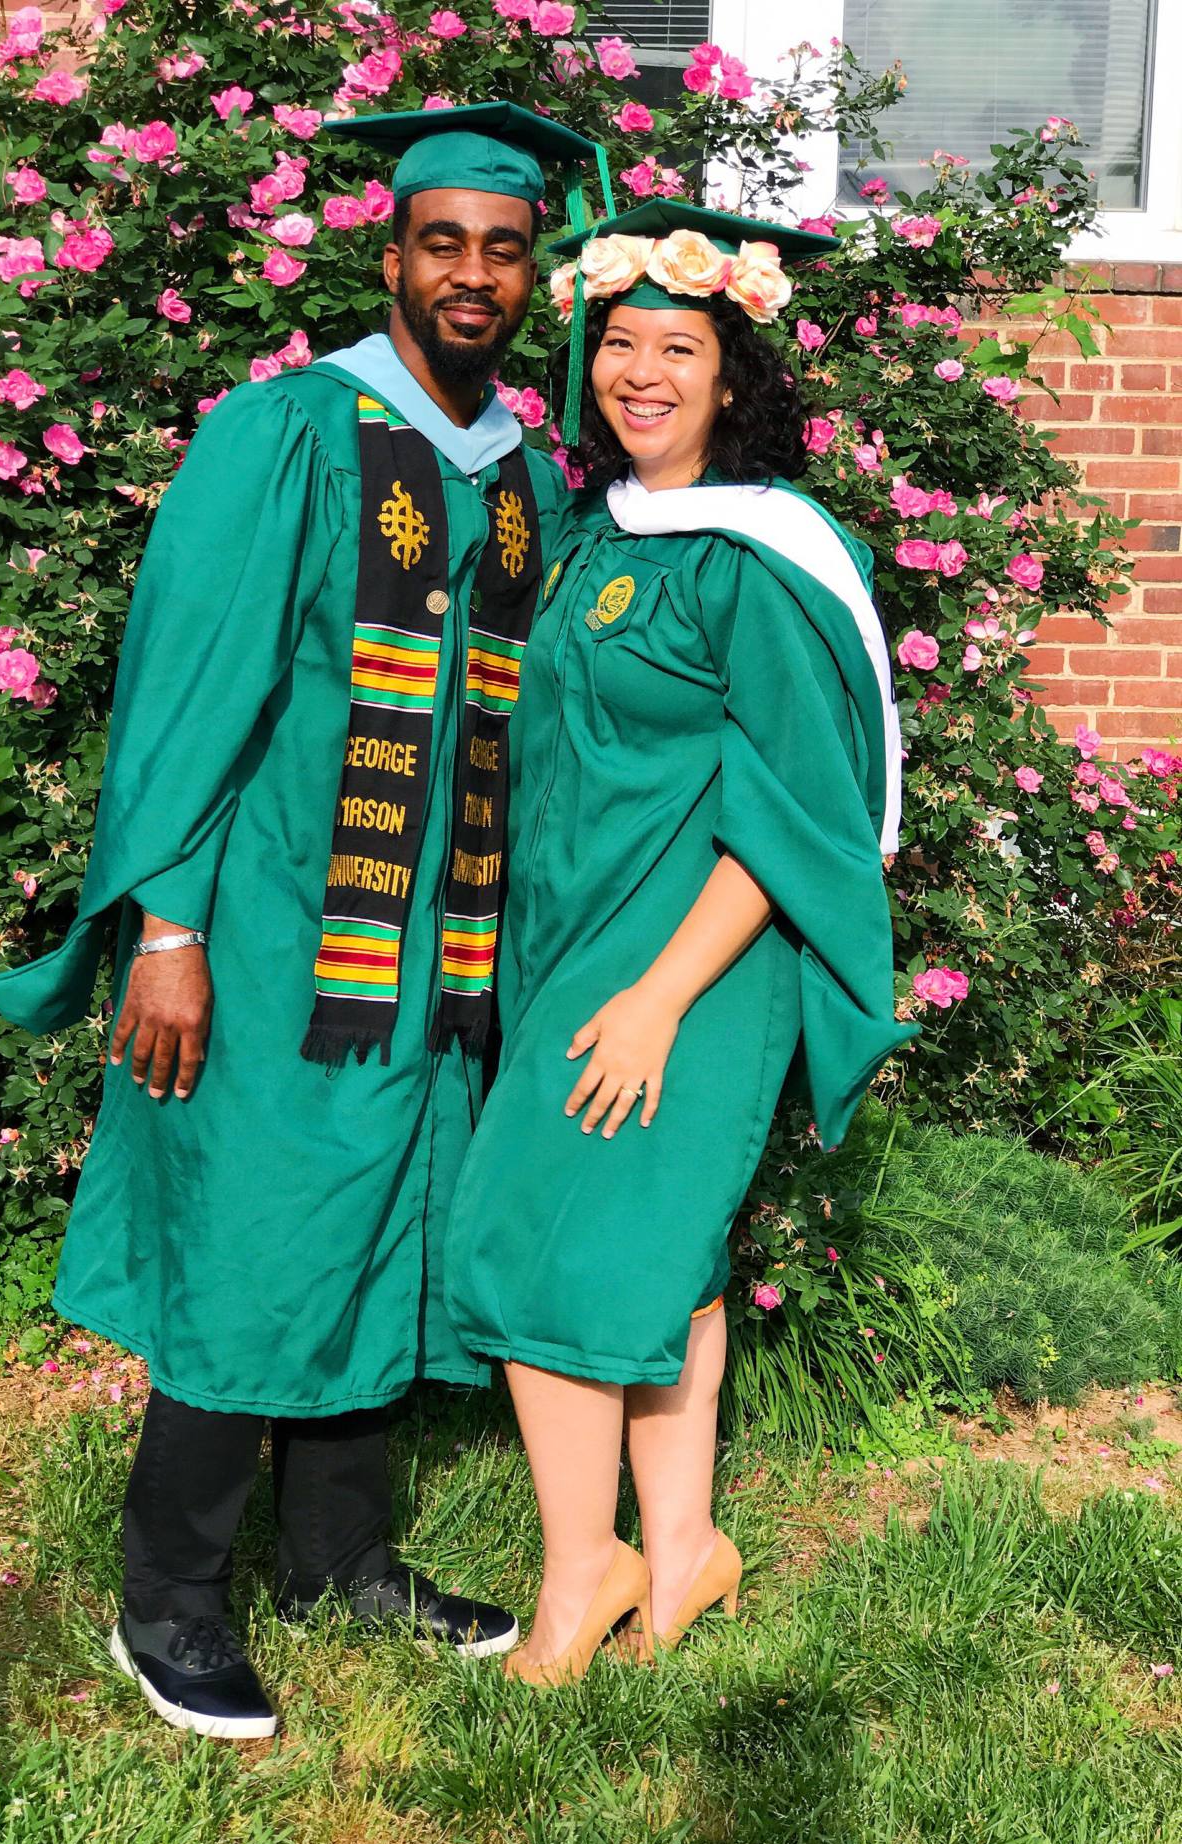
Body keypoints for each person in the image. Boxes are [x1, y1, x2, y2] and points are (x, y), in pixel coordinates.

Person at [0, 103, 604, 1740]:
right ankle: (167, 1600)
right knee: (257, 1243)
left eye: (505, 248)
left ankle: (342, 1561)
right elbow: (188, 689)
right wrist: (166, 928)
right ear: (389, 255)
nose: (472, 273)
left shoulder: (524, 471)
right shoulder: (286, 431)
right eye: (441, 241)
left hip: (435, 949)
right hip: (269, 939)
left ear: (532, 273)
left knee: (386, 1223)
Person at [443, 200, 919, 1685]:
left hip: (697, 965)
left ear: (734, 378)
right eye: (621, 345)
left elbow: (793, 814)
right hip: (579, 942)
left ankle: (584, 1575)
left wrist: (657, 996)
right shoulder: (596, 531)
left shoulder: (761, 558)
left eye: (680, 350)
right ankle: (686, 1544)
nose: (641, 374)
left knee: (555, 1245)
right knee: (664, 1255)